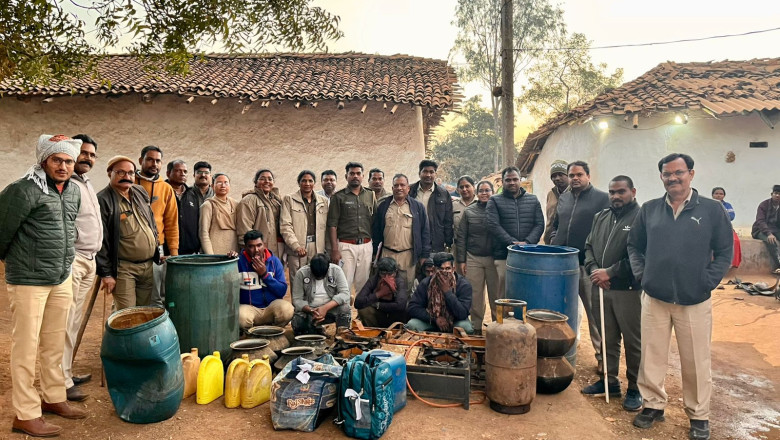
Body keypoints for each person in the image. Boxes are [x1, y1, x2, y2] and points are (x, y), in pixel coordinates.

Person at [628, 153, 732, 440]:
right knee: (652, 355)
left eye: (679, 173)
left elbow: (725, 252)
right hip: (655, 298)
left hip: (694, 300)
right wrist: (642, 276)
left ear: (691, 174)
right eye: (667, 174)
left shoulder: (712, 210)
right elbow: (634, 246)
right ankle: (653, 405)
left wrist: (706, 282)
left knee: (696, 360)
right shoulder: (649, 209)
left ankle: (699, 416)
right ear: (661, 177)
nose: (673, 178)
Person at [1, 134, 87, 437]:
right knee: (26, 347)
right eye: (57, 160)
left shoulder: (73, 191)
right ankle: (24, 414)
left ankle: (53, 397)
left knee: (53, 345)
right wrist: (16, 264)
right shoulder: (23, 190)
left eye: (68, 161)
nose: (63, 166)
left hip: (60, 277)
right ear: (44, 161)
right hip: (28, 281)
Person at [582, 176, 642, 411]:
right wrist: (595, 271)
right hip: (600, 288)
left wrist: (611, 272)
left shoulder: (641, 218)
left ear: (633, 192)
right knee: (607, 338)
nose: (616, 196)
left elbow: (640, 255)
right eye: (612, 192)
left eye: (621, 192)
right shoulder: (601, 216)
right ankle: (609, 381)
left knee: (633, 342)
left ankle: (635, 388)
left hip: (628, 291)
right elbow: (588, 247)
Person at [551, 160, 610, 371]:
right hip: (562, 265)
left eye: (579, 175)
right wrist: (553, 238)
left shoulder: (602, 199)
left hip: (587, 265)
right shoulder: (565, 198)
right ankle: (564, 352)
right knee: (561, 311)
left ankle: (604, 359)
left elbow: (608, 231)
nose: (575, 178)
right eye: (572, 175)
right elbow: (557, 224)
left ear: (588, 176)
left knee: (595, 314)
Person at [61, 134, 102, 403]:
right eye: (82, 153)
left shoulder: (85, 183)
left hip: (89, 260)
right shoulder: (64, 184)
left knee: (73, 322)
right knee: (64, 322)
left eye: (91, 154)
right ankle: (60, 382)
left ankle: (66, 372)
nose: (87, 157)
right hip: (73, 259)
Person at [97, 156, 160, 310]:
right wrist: (106, 274)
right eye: (121, 172)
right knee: (126, 315)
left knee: (144, 312)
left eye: (131, 173)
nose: (127, 177)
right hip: (124, 269)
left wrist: (156, 247)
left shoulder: (139, 191)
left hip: (148, 266)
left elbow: (150, 221)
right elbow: (101, 240)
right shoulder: (103, 199)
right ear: (109, 173)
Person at [486, 166, 544, 301]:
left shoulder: (533, 200)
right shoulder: (494, 200)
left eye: (515, 179)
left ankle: (523, 322)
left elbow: (539, 224)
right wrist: (512, 243)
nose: (512, 182)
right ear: (502, 181)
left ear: (520, 180)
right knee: (505, 294)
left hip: (528, 255)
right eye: (508, 180)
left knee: (527, 291)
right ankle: (504, 322)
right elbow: (493, 225)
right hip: (504, 255)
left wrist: (528, 243)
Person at [135, 145, 178, 307]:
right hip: (129, 249)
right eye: (150, 160)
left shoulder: (166, 188)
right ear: (141, 161)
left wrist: (173, 253)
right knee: (128, 297)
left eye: (158, 161)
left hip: (156, 249)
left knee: (155, 297)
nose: (154, 164)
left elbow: (172, 223)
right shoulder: (129, 183)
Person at [372, 173, 430, 287]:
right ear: (392, 188)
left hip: (407, 256)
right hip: (387, 254)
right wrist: (374, 254)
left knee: (406, 289)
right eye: (396, 185)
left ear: (408, 188)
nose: (399, 188)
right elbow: (376, 232)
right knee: (385, 288)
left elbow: (425, 233)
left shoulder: (418, 207)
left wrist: (424, 256)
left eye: (402, 185)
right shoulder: (383, 206)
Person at [327, 162, 376, 294]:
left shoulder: (370, 195)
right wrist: (335, 250)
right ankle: (344, 314)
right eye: (352, 173)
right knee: (344, 284)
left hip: (366, 245)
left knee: (364, 284)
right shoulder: (338, 197)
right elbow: (332, 225)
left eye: (358, 173)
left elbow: (374, 221)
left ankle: (363, 315)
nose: (355, 176)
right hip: (345, 246)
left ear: (363, 176)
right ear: (346, 176)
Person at [457, 180, 499, 333]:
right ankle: (476, 328)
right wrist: (462, 260)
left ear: (493, 192)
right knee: (475, 296)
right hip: (473, 258)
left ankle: (497, 327)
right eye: (481, 190)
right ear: (477, 192)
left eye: (487, 190)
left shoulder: (499, 209)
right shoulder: (469, 212)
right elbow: (461, 237)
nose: (484, 193)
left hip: (494, 259)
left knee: (496, 295)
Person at [280, 170, 329, 288]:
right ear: (298, 183)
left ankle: (314, 306)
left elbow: (328, 226)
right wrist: (296, 246)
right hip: (298, 247)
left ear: (314, 183)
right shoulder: (289, 199)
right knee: (298, 280)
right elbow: (285, 226)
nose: (307, 183)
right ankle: (298, 306)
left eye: (310, 181)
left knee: (316, 279)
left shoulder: (324, 201)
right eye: (304, 181)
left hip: (317, 247)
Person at [235, 230, 294, 330]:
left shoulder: (274, 261)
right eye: (251, 246)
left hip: (271, 307)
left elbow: (282, 291)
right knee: (241, 317)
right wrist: (230, 258)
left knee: (287, 310)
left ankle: (273, 331)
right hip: (250, 308)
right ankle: (251, 334)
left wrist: (265, 275)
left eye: (259, 245)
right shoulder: (239, 262)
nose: (256, 249)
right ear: (245, 247)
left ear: (264, 245)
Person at [406, 252, 473, 334]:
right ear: (434, 270)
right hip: (432, 322)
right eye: (440, 269)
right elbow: (412, 307)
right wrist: (435, 318)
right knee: (411, 325)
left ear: (453, 269)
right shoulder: (426, 283)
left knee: (466, 328)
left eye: (448, 268)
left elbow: (462, 313)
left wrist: (447, 292)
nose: (444, 272)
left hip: (455, 321)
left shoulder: (463, 285)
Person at [291, 253, 352, 335]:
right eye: (316, 275)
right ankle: (313, 333)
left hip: (331, 309)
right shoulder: (301, 273)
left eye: (322, 276)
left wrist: (325, 308)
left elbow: (345, 293)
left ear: (328, 267)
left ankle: (341, 337)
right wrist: (311, 310)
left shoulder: (336, 270)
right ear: (310, 268)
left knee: (345, 309)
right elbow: (297, 299)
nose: (319, 278)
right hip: (310, 311)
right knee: (297, 321)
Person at [236, 169, 286, 262]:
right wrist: (253, 252)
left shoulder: (276, 200)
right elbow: (244, 230)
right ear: (256, 182)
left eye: (270, 179)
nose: (267, 181)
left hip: (275, 251)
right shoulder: (249, 201)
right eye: (262, 179)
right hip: (257, 254)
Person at [409, 159, 454, 253]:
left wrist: (448, 243)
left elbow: (448, 220)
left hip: (435, 241)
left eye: (431, 172)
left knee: (432, 267)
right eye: (425, 171)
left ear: (435, 174)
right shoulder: (409, 191)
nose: (428, 175)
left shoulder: (443, 194)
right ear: (419, 173)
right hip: (412, 239)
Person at [354, 258, 409, 327]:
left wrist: (378, 305)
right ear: (379, 272)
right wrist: (379, 294)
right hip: (378, 317)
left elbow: (401, 305)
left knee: (405, 310)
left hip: (394, 317)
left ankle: (397, 332)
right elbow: (358, 302)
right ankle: (374, 332)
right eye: (383, 274)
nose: (386, 277)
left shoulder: (399, 281)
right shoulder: (374, 280)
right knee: (364, 310)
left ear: (395, 272)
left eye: (390, 274)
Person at [178, 161, 214, 254]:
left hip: (212, 247)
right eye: (199, 172)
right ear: (194, 175)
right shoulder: (185, 194)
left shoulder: (216, 196)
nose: (203, 175)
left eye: (206, 173)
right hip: (189, 249)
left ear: (211, 175)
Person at [199, 173, 238, 255]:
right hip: (215, 253)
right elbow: (203, 233)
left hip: (233, 252)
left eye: (226, 182)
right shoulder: (208, 205)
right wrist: (211, 256)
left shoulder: (235, 204)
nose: (223, 185)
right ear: (212, 186)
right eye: (219, 182)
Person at [751, 185, 780, 273]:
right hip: (760, 230)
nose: (778, 196)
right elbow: (760, 221)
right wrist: (769, 234)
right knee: (771, 241)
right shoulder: (764, 205)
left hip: (776, 229)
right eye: (776, 193)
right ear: (772, 194)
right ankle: (778, 266)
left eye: (779, 194)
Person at [452, 176, 477, 272]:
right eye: (461, 187)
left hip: (475, 249)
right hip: (457, 248)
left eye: (467, 186)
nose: (464, 189)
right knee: (458, 277)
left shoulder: (481, 203)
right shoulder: (453, 205)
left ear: (473, 187)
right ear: (458, 189)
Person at [712, 187, 740, 268]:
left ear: (724, 196)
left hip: (725, 228)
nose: (718, 196)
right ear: (712, 195)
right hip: (711, 229)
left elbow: (731, 216)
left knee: (735, 241)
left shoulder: (727, 205)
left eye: (721, 194)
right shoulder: (708, 205)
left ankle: (730, 263)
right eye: (716, 193)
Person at [543, 160, 570, 244]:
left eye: (561, 175)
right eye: (554, 176)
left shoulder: (576, 193)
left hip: (567, 242)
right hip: (550, 241)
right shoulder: (551, 194)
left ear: (568, 175)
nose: (557, 178)